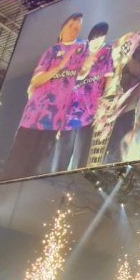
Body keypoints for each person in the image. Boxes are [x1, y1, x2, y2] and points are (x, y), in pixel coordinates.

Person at [4, 12, 86, 179]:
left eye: (78, 27)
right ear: (61, 30)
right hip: (33, 119)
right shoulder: (52, 51)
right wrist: (60, 67)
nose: (74, 29)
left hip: (54, 124)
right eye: (71, 25)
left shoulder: (82, 51)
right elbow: (36, 81)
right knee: (15, 168)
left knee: (34, 171)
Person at [58, 22, 115, 170]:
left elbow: (109, 79)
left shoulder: (107, 52)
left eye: (102, 38)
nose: (99, 42)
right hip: (70, 111)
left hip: (91, 112)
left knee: (81, 157)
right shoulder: (79, 50)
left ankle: (75, 180)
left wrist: (105, 103)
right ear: (91, 37)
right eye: (96, 38)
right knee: (61, 155)